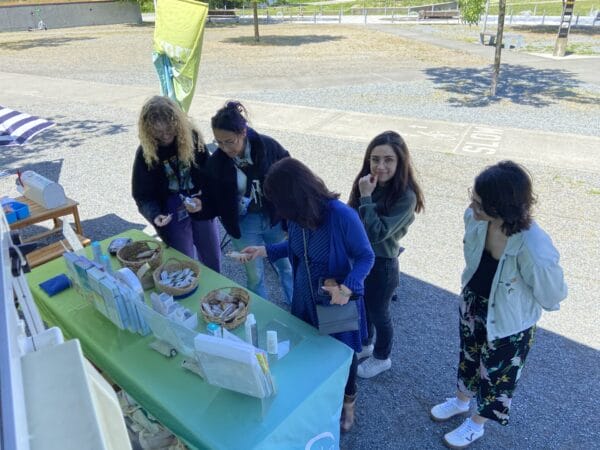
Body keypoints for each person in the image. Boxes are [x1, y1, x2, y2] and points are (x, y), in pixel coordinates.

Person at [430, 161, 568, 448]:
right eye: (473, 197)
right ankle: (460, 401)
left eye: (479, 203)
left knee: (496, 375)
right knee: (469, 357)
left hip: (510, 322)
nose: (471, 206)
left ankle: (476, 424)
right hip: (473, 304)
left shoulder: (534, 246)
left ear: (504, 207)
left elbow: (553, 293)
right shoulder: (476, 217)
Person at [241, 158, 375, 433]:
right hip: (304, 295)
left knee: (341, 355)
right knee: (308, 349)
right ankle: (319, 395)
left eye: (281, 204)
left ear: (297, 197)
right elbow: (296, 247)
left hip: (335, 300)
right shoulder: (298, 217)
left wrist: (346, 288)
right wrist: (264, 251)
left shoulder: (341, 216)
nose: (280, 213)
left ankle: (349, 401)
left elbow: (366, 256)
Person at [348, 131, 424, 378]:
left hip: (383, 264)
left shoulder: (406, 196)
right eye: (375, 159)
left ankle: (382, 357)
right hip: (361, 259)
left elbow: (377, 232)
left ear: (401, 162)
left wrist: (366, 198)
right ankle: (366, 343)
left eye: (388, 160)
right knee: (364, 306)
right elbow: (351, 217)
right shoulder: (366, 182)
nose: (380, 166)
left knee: (379, 312)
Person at [206, 101, 293, 303]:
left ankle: (297, 310)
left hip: (273, 216)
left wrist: (289, 219)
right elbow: (213, 197)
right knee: (255, 275)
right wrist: (203, 206)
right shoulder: (217, 162)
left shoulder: (268, 146)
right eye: (219, 142)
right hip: (244, 222)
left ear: (243, 132)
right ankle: (259, 316)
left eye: (230, 141)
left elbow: (290, 177)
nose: (225, 148)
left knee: (285, 265)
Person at [131, 96, 221, 272]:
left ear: (178, 124)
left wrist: (207, 198)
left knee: (212, 254)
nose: (165, 136)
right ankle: (189, 291)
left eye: (170, 130)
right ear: (149, 131)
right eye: (158, 132)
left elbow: (210, 174)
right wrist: (155, 215)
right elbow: (143, 195)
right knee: (183, 260)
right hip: (171, 210)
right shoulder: (146, 153)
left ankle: (215, 290)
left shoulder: (192, 138)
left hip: (198, 201)